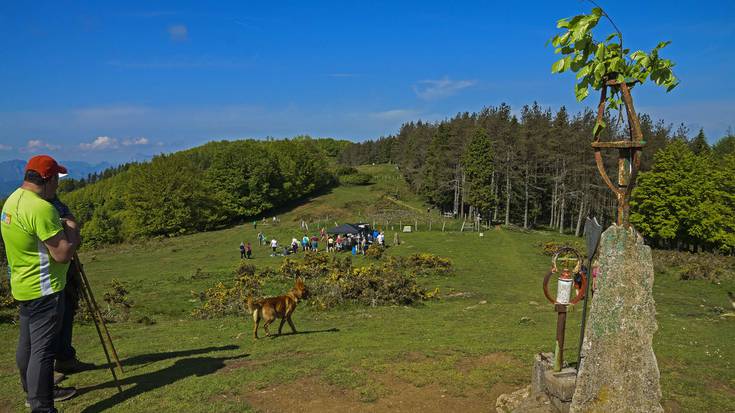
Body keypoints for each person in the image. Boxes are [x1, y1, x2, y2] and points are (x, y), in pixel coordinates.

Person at [1, 155, 79, 412]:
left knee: (27, 345)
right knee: (43, 351)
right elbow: (62, 253)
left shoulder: (11, 201)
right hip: (44, 287)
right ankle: (42, 406)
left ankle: (30, 391)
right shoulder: (41, 208)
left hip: (22, 283)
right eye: (56, 179)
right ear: (48, 179)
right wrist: (71, 226)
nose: (57, 184)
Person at [49, 197, 94, 378]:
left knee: (67, 309)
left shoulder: (54, 200)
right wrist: (70, 224)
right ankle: (43, 376)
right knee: (51, 321)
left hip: (65, 271)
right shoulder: (39, 204)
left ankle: (65, 359)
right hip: (49, 273)